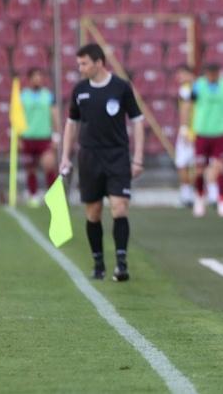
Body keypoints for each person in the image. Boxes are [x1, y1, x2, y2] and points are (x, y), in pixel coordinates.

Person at [59, 43, 144, 282]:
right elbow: (71, 124)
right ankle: (98, 263)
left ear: (98, 63)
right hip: (89, 157)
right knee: (93, 212)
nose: (80, 68)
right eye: (79, 64)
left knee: (119, 207)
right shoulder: (79, 90)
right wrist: (65, 156)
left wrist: (138, 158)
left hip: (117, 156)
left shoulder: (121, 87)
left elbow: (137, 121)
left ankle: (121, 263)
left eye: (84, 63)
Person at [191, 64, 223, 218]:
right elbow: (189, 106)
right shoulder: (198, 86)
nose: (212, 76)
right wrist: (186, 127)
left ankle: (222, 200)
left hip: (220, 132)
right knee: (199, 168)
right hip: (202, 132)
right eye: (210, 73)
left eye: (215, 73)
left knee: (220, 168)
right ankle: (199, 198)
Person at [20, 67, 60, 207]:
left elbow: (55, 115)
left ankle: (53, 197)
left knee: (49, 166)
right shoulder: (23, 96)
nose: (38, 79)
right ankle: (33, 196)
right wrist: (18, 137)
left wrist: (56, 136)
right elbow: (18, 117)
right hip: (27, 137)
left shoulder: (48, 96)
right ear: (29, 79)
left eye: (40, 76)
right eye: (35, 76)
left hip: (44, 138)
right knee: (30, 169)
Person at [174, 65, 195, 208]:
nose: (179, 77)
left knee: (182, 163)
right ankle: (193, 195)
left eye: (181, 74)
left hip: (189, 131)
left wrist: (183, 129)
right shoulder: (199, 88)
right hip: (200, 130)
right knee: (195, 165)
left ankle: (186, 195)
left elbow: (185, 109)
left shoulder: (186, 89)